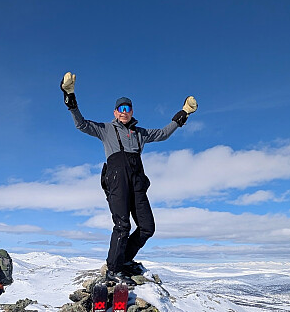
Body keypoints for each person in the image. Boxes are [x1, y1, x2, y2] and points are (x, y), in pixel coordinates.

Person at [61, 71, 197, 283]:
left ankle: (123, 260)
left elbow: (163, 133)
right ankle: (113, 270)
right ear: (115, 112)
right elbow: (82, 125)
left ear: (132, 111)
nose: (124, 112)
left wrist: (183, 114)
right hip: (117, 178)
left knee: (147, 227)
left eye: (128, 108)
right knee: (122, 225)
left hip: (137, 179)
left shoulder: (140, 132)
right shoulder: (106, 130)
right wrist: (70, 98)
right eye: (121, 109)